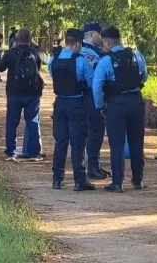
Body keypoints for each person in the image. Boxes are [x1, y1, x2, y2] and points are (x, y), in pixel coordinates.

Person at [92, 26, 148, 193]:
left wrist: (100, 106)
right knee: (137, 143)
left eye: (103, 43)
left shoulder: (106, 61)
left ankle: (117, 183)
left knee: (117, 144)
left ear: (108, 42)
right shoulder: (136, 55)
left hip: (116, 104)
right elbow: (144, 76)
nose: (103, 46)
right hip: (137, 102)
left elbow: (97, 87)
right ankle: (138, 180)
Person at [48, 28, 96, 191]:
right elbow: (90, 82)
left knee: (61, 141)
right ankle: (79, 180)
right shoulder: (81, 60)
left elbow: (52, 76)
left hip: (59, 104)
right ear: (77, 44)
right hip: (76, 104)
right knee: (78, 142)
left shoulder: (53, 60)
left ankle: (57, 179)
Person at [0, 28, 44, 161]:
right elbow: (39, 67)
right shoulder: (35, 53)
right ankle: (34, 152)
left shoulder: (11, 53)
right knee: (33, 121)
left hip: (14, 93)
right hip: (32, 93)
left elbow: (0, 67)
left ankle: (11, 150)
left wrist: (10, 51)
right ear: (30, 40)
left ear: (16, 39)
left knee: (12, 122)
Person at [81, 23, 111, 179]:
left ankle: (90, 166)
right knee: (96, 133)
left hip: (77, 98)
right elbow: (99, 81)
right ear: (92, 35)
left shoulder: (77, 50)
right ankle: (92, 167)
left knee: (84, 134)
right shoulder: (93, 55)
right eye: (99, 34)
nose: (102, 38)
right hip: (92, 98)